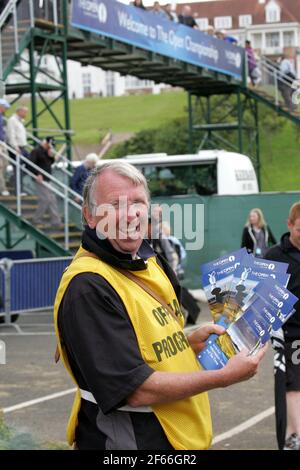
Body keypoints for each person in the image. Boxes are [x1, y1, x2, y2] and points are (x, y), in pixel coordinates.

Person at [54, 161, 267, 450]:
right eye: (116, 205)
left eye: (138, 203)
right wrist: (223, 377)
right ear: (90, 216)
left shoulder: (148, 259)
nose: (131, 214)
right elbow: (135, 390)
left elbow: (143, 343)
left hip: (177, 437)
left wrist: (187, 342)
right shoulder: (87, 286)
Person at [265, 202, 300, 450]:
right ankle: (296, 435)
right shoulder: (273, 256)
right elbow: (263, 297)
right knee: (293, 386)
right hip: (289, 335)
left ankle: (294, 433)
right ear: (289, 225)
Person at [30, 137, 62, 228]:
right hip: (40, 179)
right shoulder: (36, 151)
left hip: (47, 179)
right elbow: (31, 164)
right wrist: (37, 174)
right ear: (46, 143)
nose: (51, 148)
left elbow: (48, 164)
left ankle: (55, 221)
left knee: (52, 199)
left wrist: (51, 157)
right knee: (46, 199)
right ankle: (37, 219)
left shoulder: (46, 152)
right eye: (50, 146)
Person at [6, 106, 29, 195]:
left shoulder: (19, 121)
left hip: (22, 147)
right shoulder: (12, 120)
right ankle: (18, 190)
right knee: (17, 168)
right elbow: (11, 135)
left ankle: (13, 179)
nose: (26, 114)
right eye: (25, 112)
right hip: (16, 148)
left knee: (30, 164)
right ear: (19, 111)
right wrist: (15, 147)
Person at [0, 98, 10, 196]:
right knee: (1, 166)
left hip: (2, 143)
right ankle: (3, 188)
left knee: (6, 164)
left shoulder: (2, 117)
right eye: (4, 107)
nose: (5, 109)